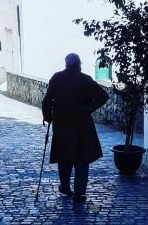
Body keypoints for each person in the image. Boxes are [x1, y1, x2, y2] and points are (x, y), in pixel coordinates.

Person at [42, 53, 109, 202]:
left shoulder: (56, 78)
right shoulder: (84, 79)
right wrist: (88, 109)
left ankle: (65, 187)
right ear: (79, 64)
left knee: (63, 156)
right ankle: (79, 192)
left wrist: (48, 116)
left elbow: (47, 100)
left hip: (62, 124)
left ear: (66, 64)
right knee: (82, 158)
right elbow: (103, 96)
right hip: (81, 125)